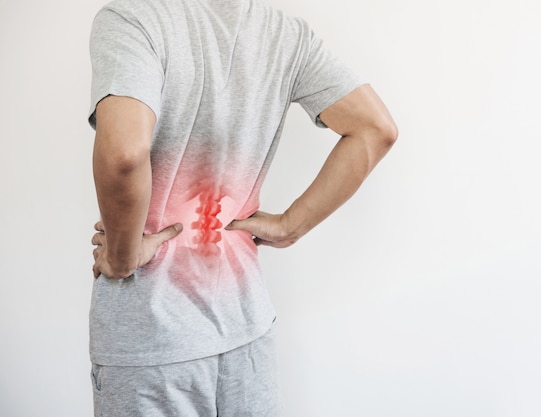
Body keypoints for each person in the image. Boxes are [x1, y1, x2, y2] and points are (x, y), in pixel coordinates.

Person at [88, 0, 397, 415]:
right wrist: (290, 226)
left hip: (153, 337)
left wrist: (122, 256)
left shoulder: (134, 19)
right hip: (247, 328)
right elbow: (374, 128)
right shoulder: (287, 34)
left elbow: (124, 152)